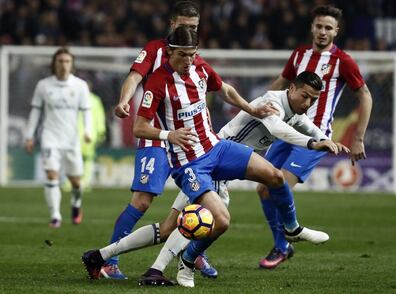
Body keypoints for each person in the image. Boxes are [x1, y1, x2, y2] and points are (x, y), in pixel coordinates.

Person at [83, 26, 340, 288]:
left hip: (218, 147)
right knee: (216, 221)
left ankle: (291, 229)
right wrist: (168, 135)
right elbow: (139, 127)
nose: (188, 61)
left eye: (192, 55)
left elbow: (225, 89)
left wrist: (251, 108)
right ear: (170, 52)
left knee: (274, 176)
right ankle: (167, 264)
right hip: (190, 164)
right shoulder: (158, 82)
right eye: (183, 55)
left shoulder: (200, 69)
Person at [100, 1, 218, 280]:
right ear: (172, 24)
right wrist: (124, 101)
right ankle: (109, 260)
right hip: (158, 137)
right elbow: (134, 76)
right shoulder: (154, 50)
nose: (188, 31)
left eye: (193, 27)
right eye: (183, 25)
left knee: (200, 199)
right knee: (141, 201)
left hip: (190, 141)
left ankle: (194, 253)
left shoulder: (194, 57)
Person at [257, 4, 373, 270]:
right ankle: (283, 245)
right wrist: (256, 106)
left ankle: (286, 238)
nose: (323, 32)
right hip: (288, 130)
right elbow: (282, 83)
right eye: (319, 26)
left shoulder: (342, 61)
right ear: (312, 27)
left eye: (328, 28)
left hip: (315, 136)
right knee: (263, 188)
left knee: (277, 184)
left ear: (336, 31)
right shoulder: (299, 55)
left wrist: (359, 138)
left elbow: (364, 95)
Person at [24, 47, 92, 228]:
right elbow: (35, 113)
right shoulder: (43, 85)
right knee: (51, 175)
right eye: (60, 61)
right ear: (54, 64)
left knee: (76, 182)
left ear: (72, 64)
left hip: (71, 139)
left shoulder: (80, 86)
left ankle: (76, 204)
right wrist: (29, 136)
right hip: (50, 137)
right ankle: (55, 216)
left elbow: (86, 112)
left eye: (67, 61)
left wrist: (88, 131)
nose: (64, 65)